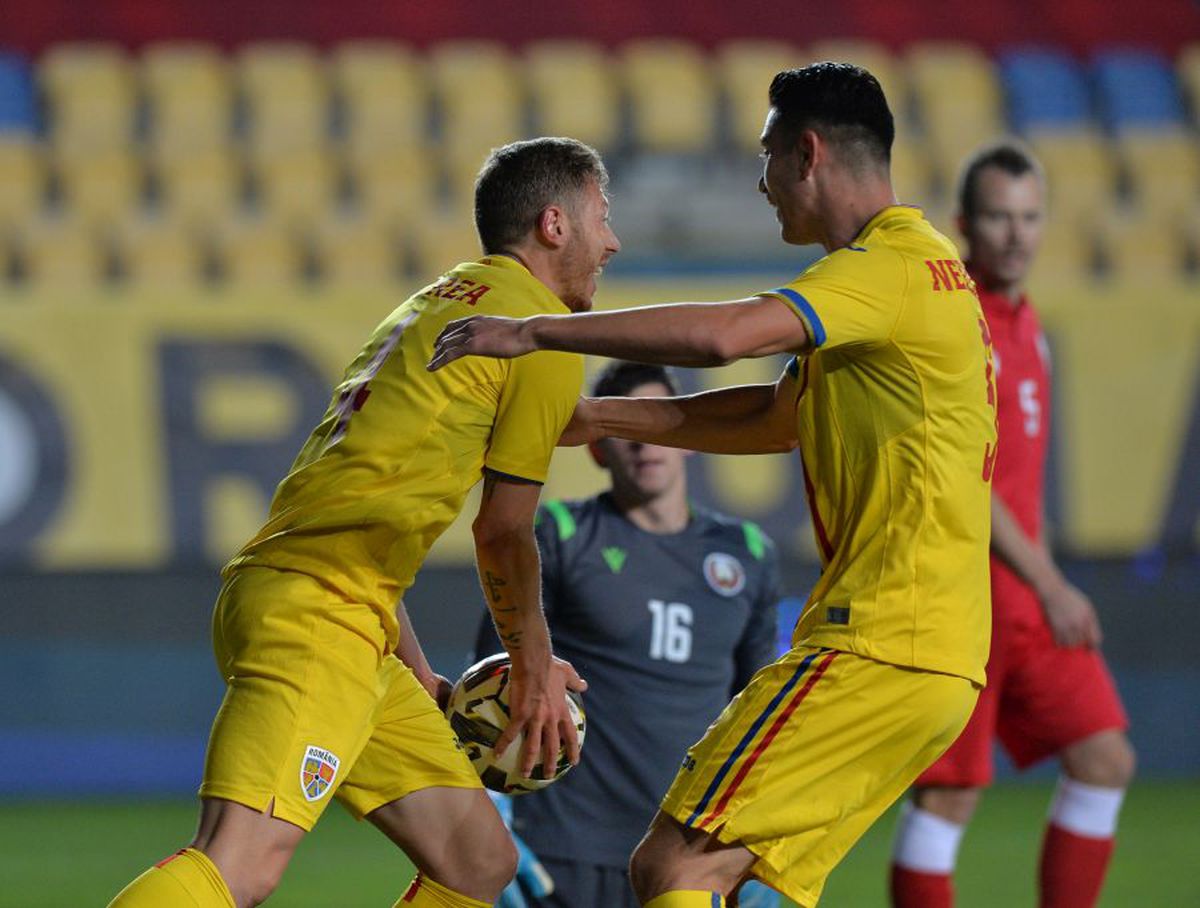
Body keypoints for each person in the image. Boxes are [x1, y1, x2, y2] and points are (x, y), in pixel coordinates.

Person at [429, 62, 997, 908]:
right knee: (735, 880)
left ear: (807, 153)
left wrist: (537, 331)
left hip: (878, 639)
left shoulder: (888, 268)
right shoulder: (921, 277)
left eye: (767, 154)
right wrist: (603, 418)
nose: (761, 182)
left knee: (673, 869)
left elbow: (727, 336)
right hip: (938, 660)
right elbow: (773, 416)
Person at [107, 136, 619, 908]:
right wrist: (534, 667)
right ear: (555, 225)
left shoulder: (435, 304)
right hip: (319, 612)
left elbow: (365, 498)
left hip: (336, 605)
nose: (612, 241)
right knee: (240, 865)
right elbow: (503, 532)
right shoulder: (538, 331)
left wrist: (416, 670)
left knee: (476, 860)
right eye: (603, 217)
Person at [888, 141, 1135, 908]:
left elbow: (1023, 483)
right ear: (966, 224)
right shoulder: (953, 322)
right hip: (962, 601)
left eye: (1030, 217)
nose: (1017, 234)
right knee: (947, 800)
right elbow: (965, 480)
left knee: (1105, 760)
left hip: (1026, 597)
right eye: (999, 217)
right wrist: (1054, 583)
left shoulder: (1032, 328)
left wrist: (1046, 582)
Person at [474, 360, 784, 908]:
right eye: (624, 431)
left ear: (691, 440)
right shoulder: (560, 536)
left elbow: (758, 708)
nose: (644, 445)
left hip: (691, 848)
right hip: (566, 842)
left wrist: (764, 837)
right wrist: (491, 809)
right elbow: (493, 678)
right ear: (597, 450)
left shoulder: (750, 552)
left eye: (656, 424)